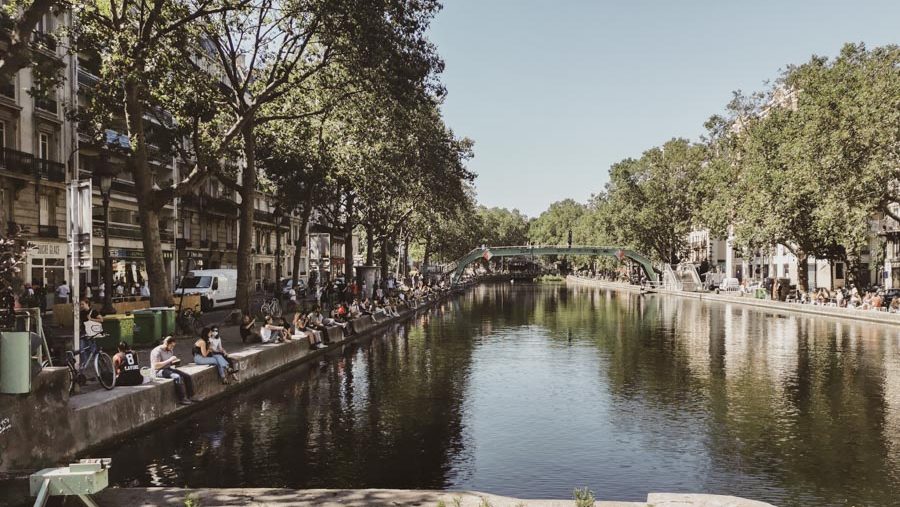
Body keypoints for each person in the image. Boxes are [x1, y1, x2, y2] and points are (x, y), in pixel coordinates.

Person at [150, 336, 196, 405]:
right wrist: (170, 360)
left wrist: (175, 362)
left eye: (173, 346)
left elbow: (170, 362)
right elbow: (156, 366)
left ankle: (191, 396)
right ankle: (182, 399)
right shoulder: (157, 351)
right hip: (158, 371)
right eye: (171, 346)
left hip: (168, 368)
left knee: (187, 376)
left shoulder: (170, 350)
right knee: (177, 377)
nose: (172, 348)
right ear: (166, 344)